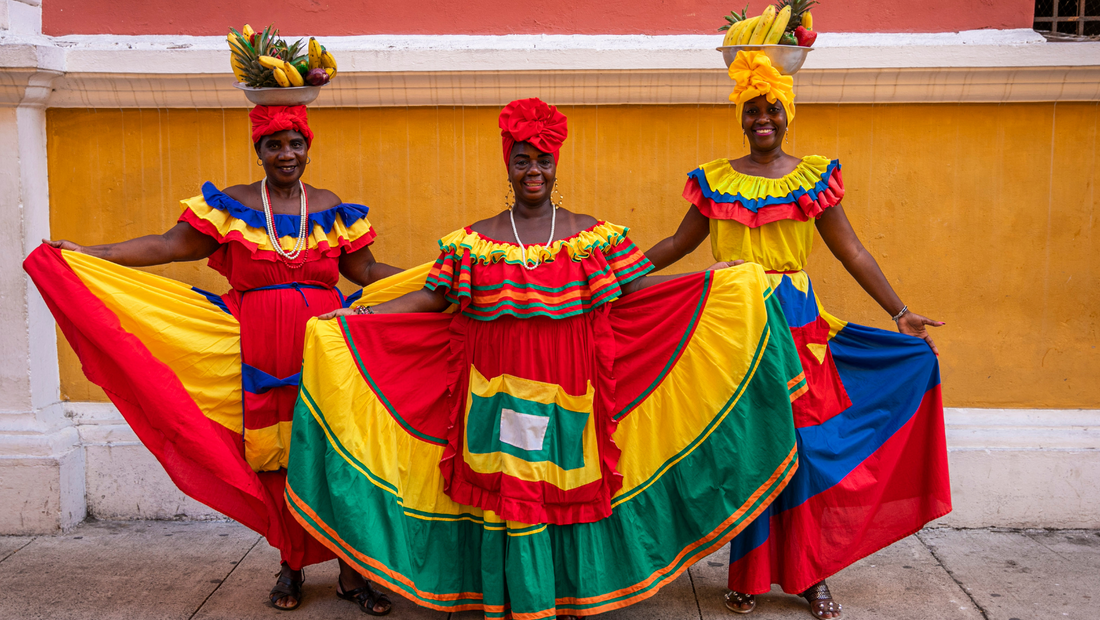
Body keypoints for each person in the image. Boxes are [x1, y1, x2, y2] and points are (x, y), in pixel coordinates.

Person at [283, 98, 808, 620]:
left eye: (543, 161)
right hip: (494, 389)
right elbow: (432, 297)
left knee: (562, 485)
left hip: (569, 385)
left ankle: (563, 592)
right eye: (522, 161)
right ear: (507, 167)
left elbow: (641, 288)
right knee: (509, 491)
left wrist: (720, 282)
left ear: (556, 165)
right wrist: (359, 320)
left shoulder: (589, 237)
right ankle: (512, 594)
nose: (533, 171)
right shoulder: (475, 241)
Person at [24, 105, 401, 614]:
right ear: (259, 151)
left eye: (295, 143)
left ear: (308, 146)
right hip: (258, 348)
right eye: (274, 145)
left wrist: (437, 275)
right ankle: (291, 565)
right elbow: (167, 245)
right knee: (277, 459)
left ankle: (351, 574)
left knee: (334, 454)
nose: (286, 154)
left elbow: (368, 269)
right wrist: (93, 252)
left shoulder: (332, 206)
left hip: (324, 350)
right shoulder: (234, 205)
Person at [644, 51, 952, 619]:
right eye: (754, 110)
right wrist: (610, 277)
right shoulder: (714, 180)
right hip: (734, 326)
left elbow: (851, 249)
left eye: (773, 109)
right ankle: (748, 577)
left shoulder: (813, 177)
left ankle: (812, 575)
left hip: (796, 324)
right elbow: (676, 246)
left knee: (804, 447)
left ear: (788, 114)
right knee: (753, 448)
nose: (764, 119)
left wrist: (900, 311)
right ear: (741, 117)